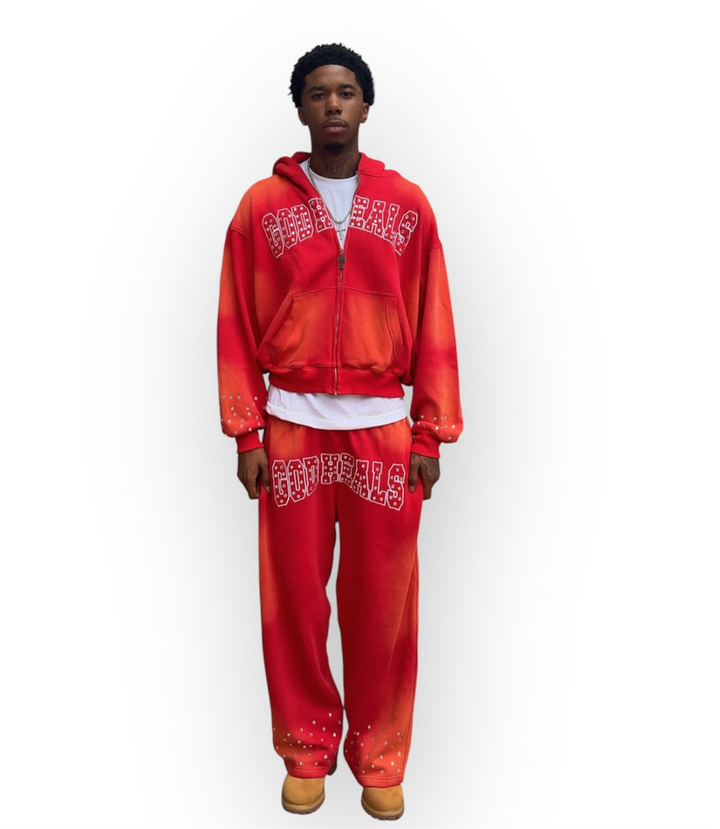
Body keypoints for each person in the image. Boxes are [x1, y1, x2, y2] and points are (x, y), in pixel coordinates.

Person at [216, 42, 463, 820]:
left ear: (366, 106)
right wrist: (246, 433)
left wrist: (429, 432)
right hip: (291, 428)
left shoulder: (409, 206)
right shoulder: (261, 207)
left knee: (380, 605)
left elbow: (433, 316)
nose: (332, 104)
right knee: (292, 601)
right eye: (318, 92)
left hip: (382, 433)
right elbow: (234, 320)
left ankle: (380, 756)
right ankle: (307, 750)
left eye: (346, 92)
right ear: (300, 107)